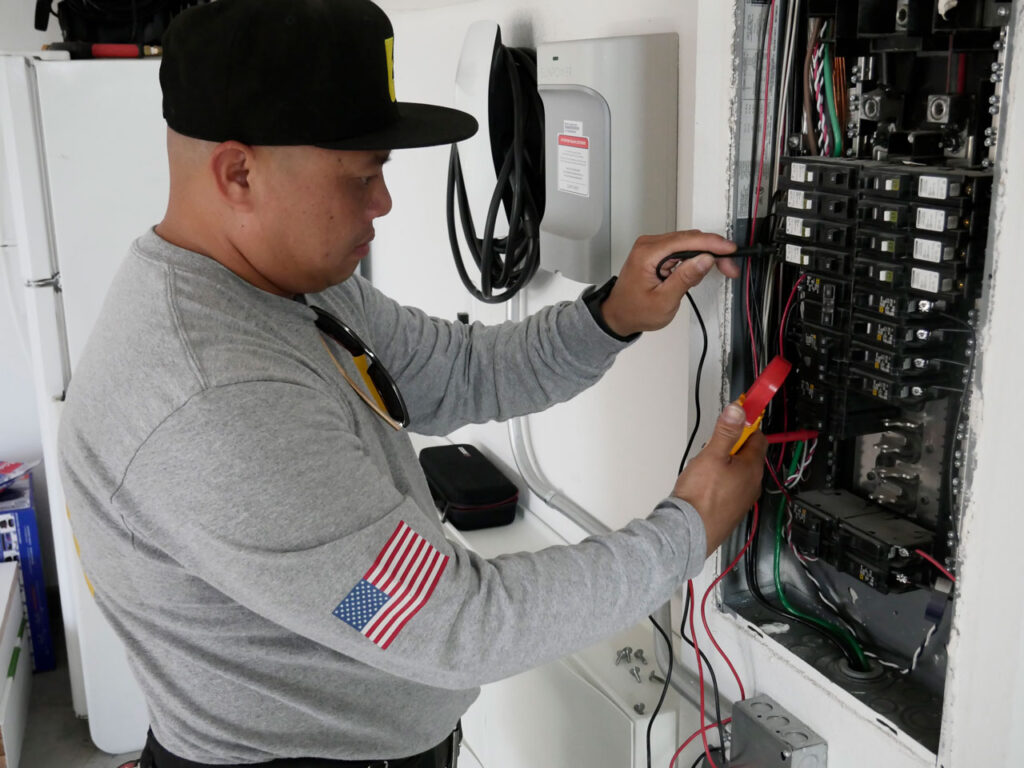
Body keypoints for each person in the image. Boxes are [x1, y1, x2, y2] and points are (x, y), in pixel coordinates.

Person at [57, 0, 767, 766]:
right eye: (362, 177)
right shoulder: (212, 400)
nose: (384, 203)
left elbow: (460, 372)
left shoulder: (294, 286)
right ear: (239, 173)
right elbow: (451, 625)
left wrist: (614, 314)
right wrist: (689, 525)